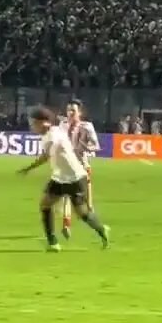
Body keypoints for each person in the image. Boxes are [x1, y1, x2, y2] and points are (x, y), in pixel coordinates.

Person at [18, 106, 110, 252]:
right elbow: (47, 155)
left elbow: (48, 152)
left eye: (33, 123)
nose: (32, 126)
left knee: (82, 214)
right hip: (59, 178)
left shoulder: (53, 134)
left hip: (75, 178)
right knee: (45, 205)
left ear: (43, 122)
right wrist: (29, 168)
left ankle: (101, 230)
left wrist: (29, 168)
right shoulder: (49, 135)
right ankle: (52, 242)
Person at [61, 100, 100, 238]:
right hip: (67, 165)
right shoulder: (63, 126)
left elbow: (96, 146)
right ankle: (66, 224)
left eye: (73, 110)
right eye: (68, 110)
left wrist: (87, 147)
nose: (70, 113)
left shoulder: (87, 127)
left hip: (82, 165)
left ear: (80, 113)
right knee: (66, 194)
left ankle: (91, 213)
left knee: (86, 198)